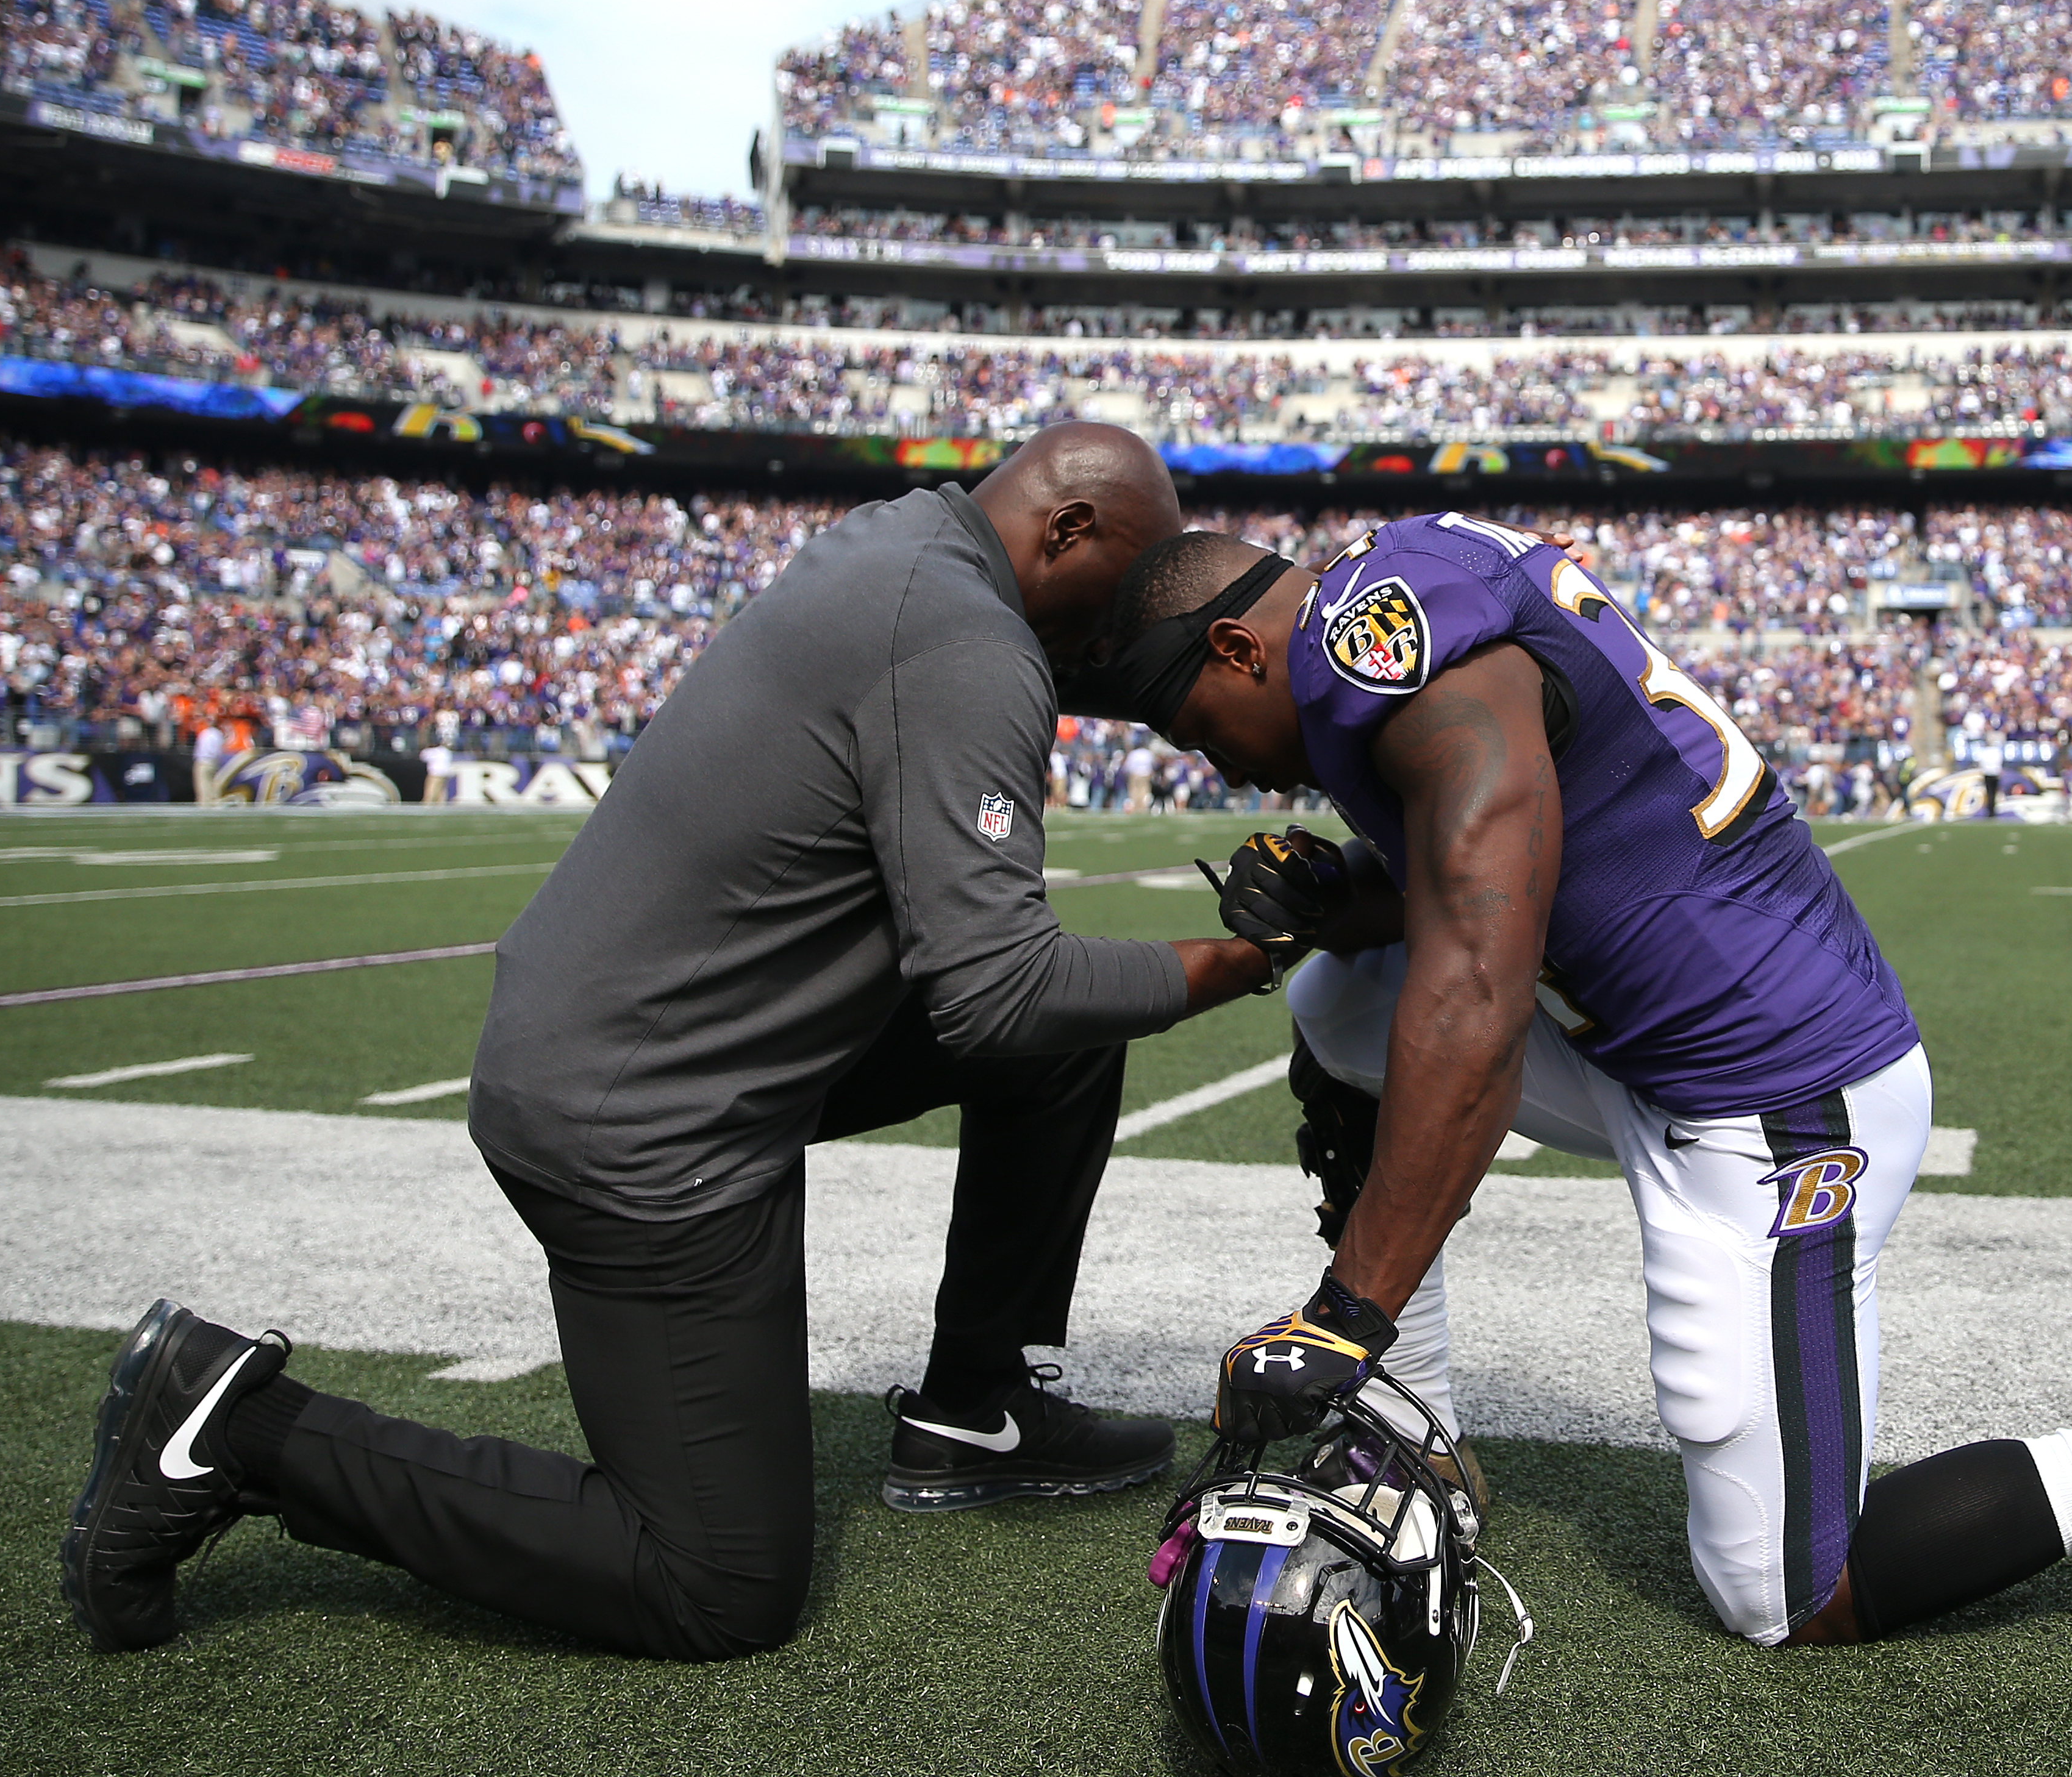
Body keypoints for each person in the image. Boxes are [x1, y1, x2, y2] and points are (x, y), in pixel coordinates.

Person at [62, 424, 1287, 1662]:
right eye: (1122, 583)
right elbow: (996, 995)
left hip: (645, 1039)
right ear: (1066, 532)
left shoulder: (911, 546)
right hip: (641, 1117)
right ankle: (237, 1430)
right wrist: (1247, 960)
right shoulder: (965, 640)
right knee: (718, 1584)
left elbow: (1083, 673)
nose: (1124, 620)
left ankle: (977, 1410)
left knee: (1068, 1045)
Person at [1109, 516, 2072, 1651]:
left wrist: (1348, 1308)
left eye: (1193, 728)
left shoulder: (1378, 653)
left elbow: (1479, 993)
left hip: (1775, 1095)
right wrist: (1346, 898)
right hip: (1644, 1041)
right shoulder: (1404, 571)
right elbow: (1511, 859)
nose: (1216, 767)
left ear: (1235, 648)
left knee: (1787, 1597)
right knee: (1347, 996)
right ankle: (1412, 1427)